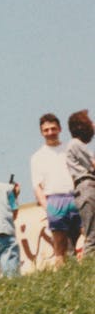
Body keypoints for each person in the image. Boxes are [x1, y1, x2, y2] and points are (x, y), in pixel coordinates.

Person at [30, 113, 81, 268]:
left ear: (59, 129)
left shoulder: (70, 148)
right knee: (60, 247)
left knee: (86, 237)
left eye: (53, 129)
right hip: (54, 200)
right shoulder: (37, 157)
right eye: (46, 130)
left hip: (75, 197)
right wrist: (47, 207)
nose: (50, 132)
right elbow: (37, 186)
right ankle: (64, 278)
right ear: (41, 132)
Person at [66, 109, 95, 258]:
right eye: (90, 122)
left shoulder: (74, 145)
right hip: (87, 187)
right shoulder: (76, 144)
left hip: (82, 188)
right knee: (92, 233)